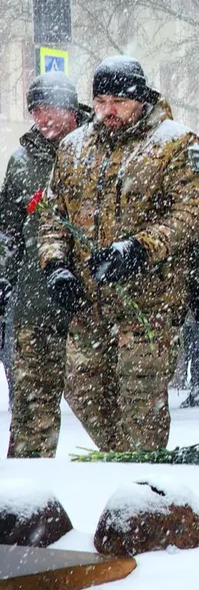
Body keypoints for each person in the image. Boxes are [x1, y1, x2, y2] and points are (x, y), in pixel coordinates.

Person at [38, 57, 199, 451]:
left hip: (147, 306)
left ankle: (140, 480)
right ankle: (123, 460)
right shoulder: (74, 147)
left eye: (118, 101)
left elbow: (191, 211)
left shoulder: (175, 143)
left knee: (140, 403)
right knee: (81, 388)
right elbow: (52, 214)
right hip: (89, 304)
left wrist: (139, 248)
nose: (108, 111)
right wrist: (56, 266)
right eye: (100, 100)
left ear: (140, 99)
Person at [3, 73, 87, 456]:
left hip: (87, 304)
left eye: (53, 107)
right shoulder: (21, 161)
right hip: (35, 304)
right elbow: (8, 230)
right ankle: (27, 494)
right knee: (31, 414)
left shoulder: (93, 149)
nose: (45, 117)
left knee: (102, 409)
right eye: (37, 109)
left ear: (72, 109)